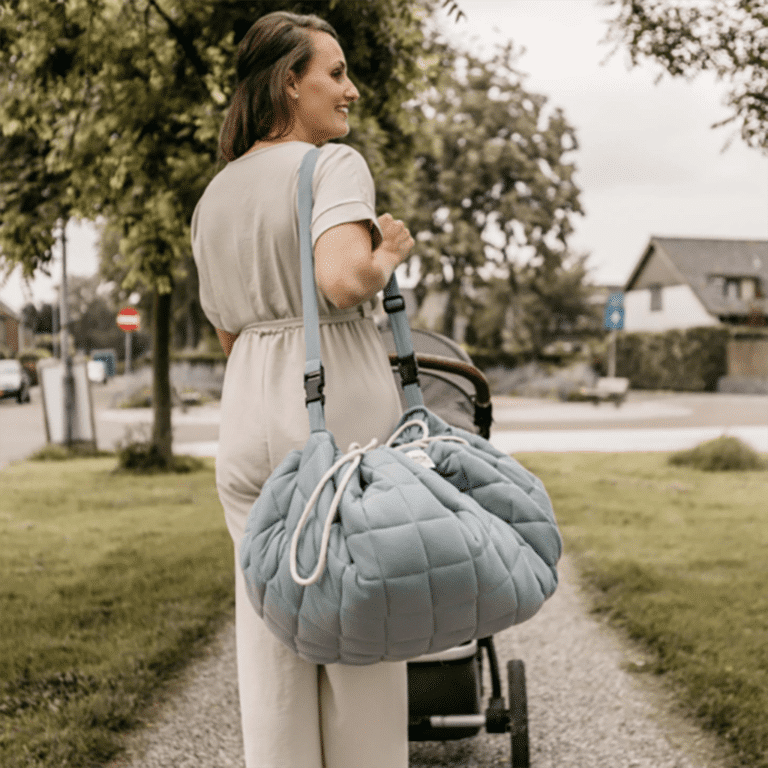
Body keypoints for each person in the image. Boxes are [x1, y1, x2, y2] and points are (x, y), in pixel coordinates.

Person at [190, 11, 415, 768]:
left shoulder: (216, 193)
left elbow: (229, 332)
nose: (350, 89)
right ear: (291, 82)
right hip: (332, 421)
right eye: (336, 72)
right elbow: (343, 281)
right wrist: (385, 252)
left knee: (272, 637)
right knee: (359, 643)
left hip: (247, 416)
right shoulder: (330, 167)